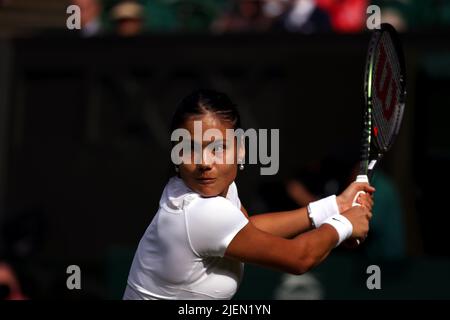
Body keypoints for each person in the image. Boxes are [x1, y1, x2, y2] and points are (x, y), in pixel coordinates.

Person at [123, 89, 374, 300]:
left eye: (218, 147)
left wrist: (335, 206)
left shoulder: (211, 190)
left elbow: (246, 230)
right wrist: (345, 224)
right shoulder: (198, 211)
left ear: (240, 150)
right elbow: (300, 258)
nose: (203, 162)